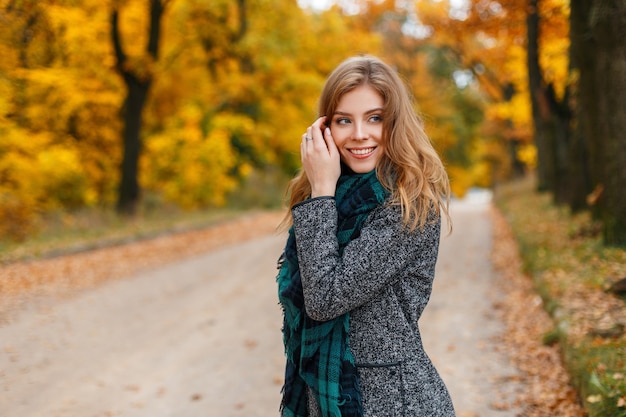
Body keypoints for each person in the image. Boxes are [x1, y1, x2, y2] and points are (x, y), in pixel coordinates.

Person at [276, 55, 455, 417]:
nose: (360, 134)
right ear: (325, 128)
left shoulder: (409, 207)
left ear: (396, 123)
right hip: (325, 397)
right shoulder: (329, 196)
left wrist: (322, 191)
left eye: (375, 118)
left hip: (391, 402)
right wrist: (323, 191)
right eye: (344, 120)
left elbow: (325, 298)